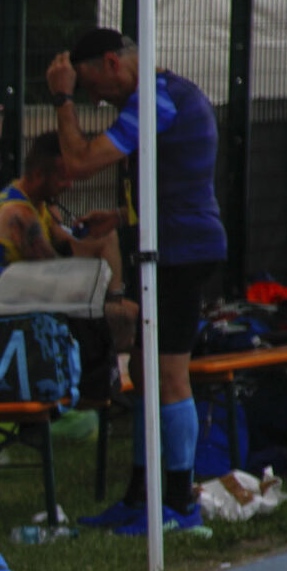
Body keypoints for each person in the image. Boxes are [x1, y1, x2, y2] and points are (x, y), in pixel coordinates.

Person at [47, 28, 227, 532]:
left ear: (111, 62)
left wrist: (61, 100)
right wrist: (122, 220)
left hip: (181, 255)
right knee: (147, 372)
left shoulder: (157, 100)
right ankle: (142, 495)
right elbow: (176, 186)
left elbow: (78, 163)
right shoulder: (159, 97)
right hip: (168, 246)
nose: (92, 98)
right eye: (79, 93)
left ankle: (177, 503)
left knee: (169, 376)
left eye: (89, 85)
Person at [0, 130, 133, 401]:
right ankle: (113, 383)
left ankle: (114, 373)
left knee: (107, 243)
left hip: (27, 304)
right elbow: (60, 274)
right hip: (3, 321)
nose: (69, 185)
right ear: (38, 175)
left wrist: (102, 230)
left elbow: (72, 246)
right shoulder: (19, 215)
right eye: (63, 177)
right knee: (130, 317)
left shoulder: (34, 201)